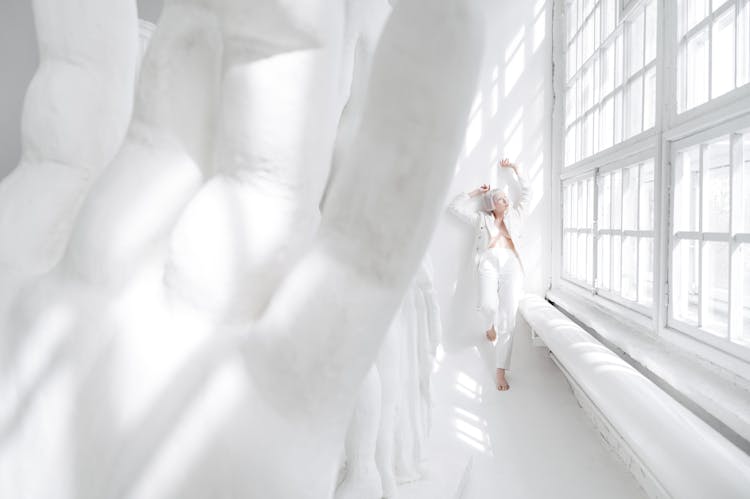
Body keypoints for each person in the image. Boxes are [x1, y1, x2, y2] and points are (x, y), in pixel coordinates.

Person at [448, 158, 530, 391]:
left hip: (511, 265)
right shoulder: (481, 220)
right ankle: (489, 325)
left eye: (506, 197)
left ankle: (500, 370)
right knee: (486, 306)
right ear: (492, 205)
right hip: (488, 263)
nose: (506, 200)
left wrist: (516, 169)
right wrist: (475, 192)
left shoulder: (516, 216)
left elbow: (528, 192)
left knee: (508, 318)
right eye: (501, 198)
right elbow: (454, 208)